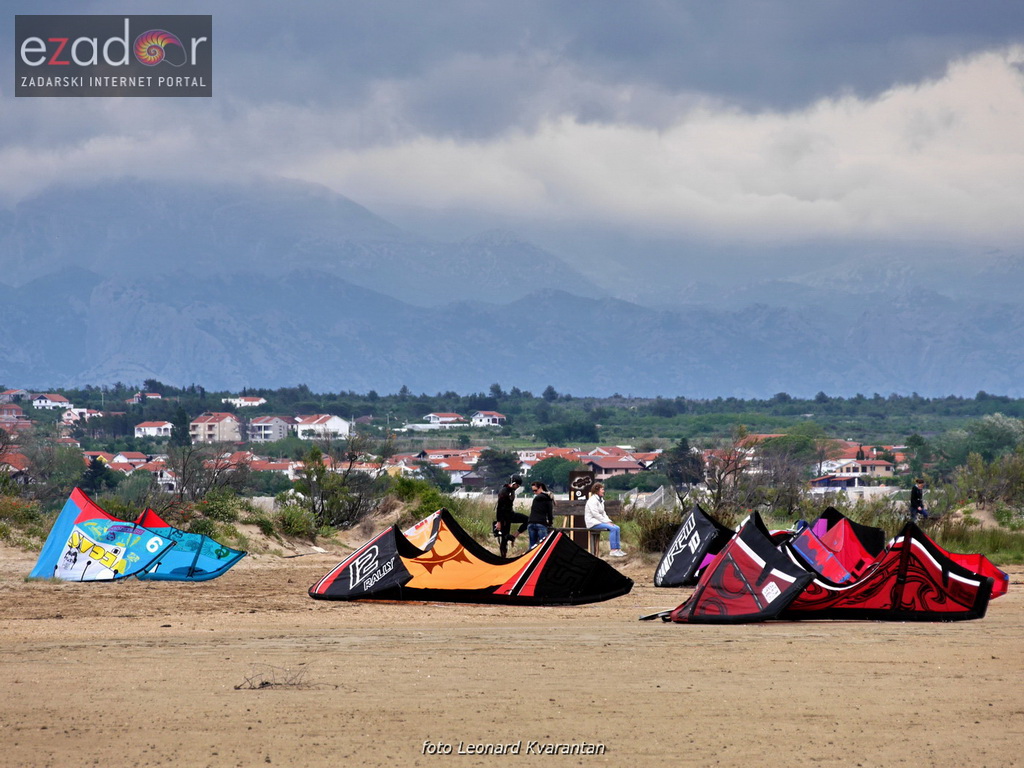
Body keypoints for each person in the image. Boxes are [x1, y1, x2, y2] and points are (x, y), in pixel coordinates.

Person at [584, 482, 626, 557]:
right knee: (612, 528)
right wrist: (606, 523)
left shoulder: (601, 500)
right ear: (597, 490)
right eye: (602, 489)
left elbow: (603, 513)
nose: (603, 491)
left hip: (599, 521)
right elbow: (595, 514)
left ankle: (618, 549)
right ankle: (613, 550)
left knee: (617, 527)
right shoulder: (592, 500)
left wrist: (609, 521)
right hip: (592, 523)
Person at [494, 474, 528, 557]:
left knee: (528, 520)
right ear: (514, 483)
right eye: (517, 485)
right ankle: (503, 557)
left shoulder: (511, 490)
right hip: (504, 518)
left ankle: (514, 536)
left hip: (511, 515)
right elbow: (499, 508)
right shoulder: (504, 492)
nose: (517, 487)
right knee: (504, 539)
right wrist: (499, 522)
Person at [527, 481, 554, 548]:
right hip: (541, 523)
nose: (534, 493)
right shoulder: (548, 498)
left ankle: (531, 557)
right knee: (543, 546)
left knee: (532, 546)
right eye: (533, 491)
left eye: (535, 490)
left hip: (531, 523)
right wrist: (550, 522)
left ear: (540, 488)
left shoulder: (536, 499)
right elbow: (549, 513)